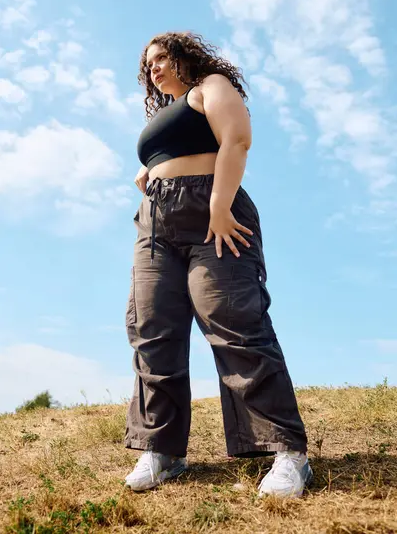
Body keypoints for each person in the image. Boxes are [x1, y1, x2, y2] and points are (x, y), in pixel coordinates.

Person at [124, 31, 313, 498]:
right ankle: (164, 451)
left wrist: (219, 206)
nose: (155, 69)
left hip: (215, 215)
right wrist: (150, 172)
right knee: (153, 329)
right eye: (149, 65)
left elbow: (237, 138)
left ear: (185, 57)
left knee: (232, 320)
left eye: (163, 58)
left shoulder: (210, 85)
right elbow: (172, 155)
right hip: (157, 228)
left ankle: (287, 452)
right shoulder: (164, 114)